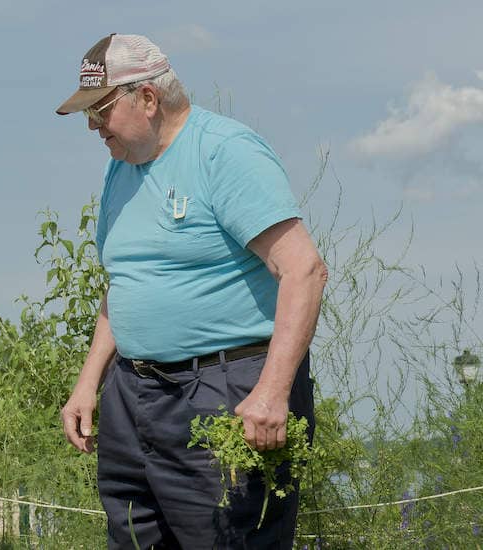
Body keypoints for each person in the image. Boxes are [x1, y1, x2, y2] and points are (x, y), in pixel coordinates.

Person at [54, 34, 327, 548]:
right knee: (135, 538)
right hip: (132, 398)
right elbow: (128, 282)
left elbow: (304, 271)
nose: (93, 126)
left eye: (101, 110)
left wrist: (271, 392)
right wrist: (89, 382)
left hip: (223, 390)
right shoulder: (122, 169)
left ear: (148, 99)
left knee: (225, 538)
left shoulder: (223, 152)